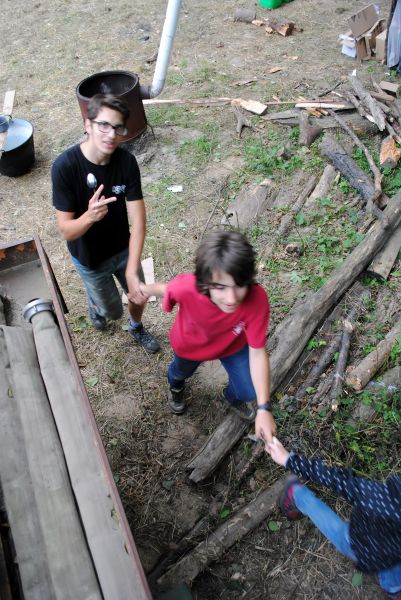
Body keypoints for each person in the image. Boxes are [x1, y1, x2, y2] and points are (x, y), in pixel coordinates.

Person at [139, 230, 276, 442]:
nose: (231, 298)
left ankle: (232, 397)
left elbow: (258, 353)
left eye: (239, 285)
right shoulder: (187, 287)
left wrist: (264, 408)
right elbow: (165, 290)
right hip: (190, 346)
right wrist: (142, 289)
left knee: (250, 391)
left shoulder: (257, 299)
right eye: (220, 287)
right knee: (180, 372)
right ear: (204, 282)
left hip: (233, 346)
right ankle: (175, 386)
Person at [51, 93, 159, 353]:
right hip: (90, 258)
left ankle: (136, 327)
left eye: (117, 127)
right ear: (88, 125)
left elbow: (139, 223)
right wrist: (89, 216)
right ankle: (96, 306)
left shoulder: (126, 163)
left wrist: (132, 271)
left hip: (123, 250)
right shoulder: (65, 167)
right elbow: (66, 230)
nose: (111, 134)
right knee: (111, 312)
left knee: (139, 294)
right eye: (103, 125)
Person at [266, 436, 401, 599]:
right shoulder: (385, 501)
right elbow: (337, 480)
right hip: (365, 544)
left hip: (385, 550)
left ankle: (393, 587)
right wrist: (289, 460)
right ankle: (297, 494)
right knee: (335, 530)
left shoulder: (388, 498)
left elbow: (340, 481)